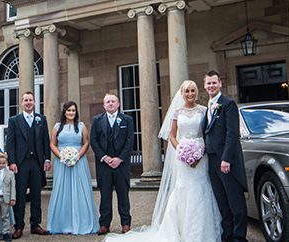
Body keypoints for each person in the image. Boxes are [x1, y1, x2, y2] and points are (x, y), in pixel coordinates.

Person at [103, 80, 221, 242]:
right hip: (182, 156)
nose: (190, 94)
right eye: (187, 91)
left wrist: (200, 152)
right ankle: (180, 230)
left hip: (202, 155)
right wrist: (182, 150)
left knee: (201, 189)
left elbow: (208, 134)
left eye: (192, 90)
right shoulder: (177, 112)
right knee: (183, 189)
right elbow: (172, 136)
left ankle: (203, 232)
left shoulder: (204, 110)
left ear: (197, 92)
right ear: (182, 93)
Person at [203, 70, 248, 242]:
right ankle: (227, 237)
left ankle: (239, 238)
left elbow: (232, 134)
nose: (211, 86)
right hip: (212, 161)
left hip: (225, 161)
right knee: (222, 203)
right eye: (208, 83)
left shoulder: (228, 104)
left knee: (236, 203)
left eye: (214, 82)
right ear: (205, 85)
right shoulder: (208, 106)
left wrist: (226, 159)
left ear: (220, 83)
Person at [4, 91, 52, 239]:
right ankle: (19, 226)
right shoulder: (14, 120)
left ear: (35, 102)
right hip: (21, 163)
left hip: (37, 162)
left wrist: (47, 159)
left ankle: (35, 225)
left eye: (31, 100)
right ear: (22, 102)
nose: (28, 102)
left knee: (37, 194)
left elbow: (45, 140)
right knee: (20, 195)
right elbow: (10, 143)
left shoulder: (41, 119)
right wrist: (11, 162)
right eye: (26, 100)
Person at [46, 101, 98, 235]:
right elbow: (52, 144)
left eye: (73, 110)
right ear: (64, 112)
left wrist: (76, 157)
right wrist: (62, 156)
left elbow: (86, 143)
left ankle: (82, 223)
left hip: (78, 162)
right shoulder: (57, 127)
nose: (71, 113)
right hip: (61, 162)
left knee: (80, 190)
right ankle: (62, 224)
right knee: (62, 190)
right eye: (69, 110)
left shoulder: (81, 126)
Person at [89, 93, 133, 235]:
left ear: (118, 104)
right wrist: (105, 157)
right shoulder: (97, 120)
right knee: (105, 195)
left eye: (113, 101)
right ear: (104, 105)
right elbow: (93, 141)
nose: (110, 104)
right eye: (107, 102)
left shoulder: (127, 120)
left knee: (123, 195)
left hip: (121, 164)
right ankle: (104, 224)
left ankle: (125, 223)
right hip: (104, 165)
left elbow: (130, 140)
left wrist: (120, 158)